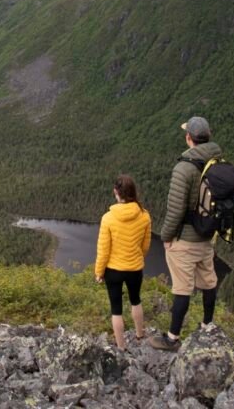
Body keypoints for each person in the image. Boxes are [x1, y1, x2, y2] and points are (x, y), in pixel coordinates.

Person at [150, 116, 222, 351]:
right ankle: (208, 326)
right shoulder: (218, 162)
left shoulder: (184, 167)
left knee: (182, 288)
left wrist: (166, 237)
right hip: (207, 236)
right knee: (209, 283)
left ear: (189, 138)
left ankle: (172, 338)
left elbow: (176, 209)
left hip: (186, 239)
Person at [95, 174, 152, 350]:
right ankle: (140, 334)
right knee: (136, 300)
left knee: (116, 309)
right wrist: (136, 256)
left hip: (113, 270)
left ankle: (121, 347)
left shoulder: (108, 218)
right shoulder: (144, 215)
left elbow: (103, 250)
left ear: (116, 192)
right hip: (135, 268)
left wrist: (99, 272)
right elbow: (146, 245)